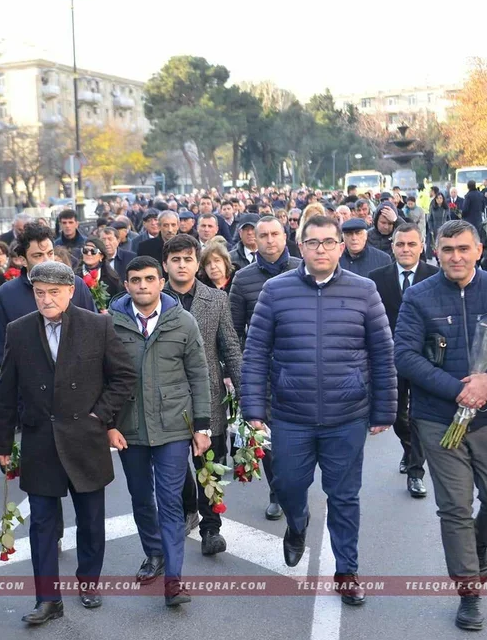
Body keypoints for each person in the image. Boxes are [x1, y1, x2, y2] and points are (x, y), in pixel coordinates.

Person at [240, 214, 396, 607]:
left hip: (347, 417)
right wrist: (254, 408)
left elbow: (382, 353)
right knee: (289, 486)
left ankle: (348, 571)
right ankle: (297, 522)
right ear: (301, 247)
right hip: (291, 416)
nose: (321, 249)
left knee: (344, 497)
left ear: (341, 247)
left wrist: (384, 411)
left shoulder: (364, 291)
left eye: (329, 242)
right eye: (313, 242)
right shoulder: (275, 291)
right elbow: (255, 353)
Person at [394, 219, 487, 631]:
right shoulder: (418, 297)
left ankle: (479, 542)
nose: (455, 257)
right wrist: (457, 390)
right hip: (438, 419)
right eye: (447, 249)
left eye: (463, 249)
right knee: (454, 506)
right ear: (434, 252)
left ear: (478, 250)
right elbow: (404, 356)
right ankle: (469, 591)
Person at [0, 262, 137, 624]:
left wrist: (99, 417)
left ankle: (89, 582)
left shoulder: (97, 325)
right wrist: (3, 442)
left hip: (84, 438)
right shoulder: (19, 330)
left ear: (71, 291)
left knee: (90, 519)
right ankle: (47, 599)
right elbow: (6, 390)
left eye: (53, 292)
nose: (46, 299)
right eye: (39, 293)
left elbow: (122, 377)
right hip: (41, 439)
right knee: (42, 522)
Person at [109, 256, 211, 604]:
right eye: (135, 280)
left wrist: (202, 426)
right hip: (130, 428)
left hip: (172, 427)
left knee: (169, 500)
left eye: (149, 279)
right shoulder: (111, 325)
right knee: (140, 497)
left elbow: (199, 375)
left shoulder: (183, 322)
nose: (142, 286)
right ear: (126, 285)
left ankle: (174, 580)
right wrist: (108, 425)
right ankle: (154, 553)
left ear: (161, 282)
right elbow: (101, 378)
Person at [162, 237, 243, 555]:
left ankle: (211, 529)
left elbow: (231, 348)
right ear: (165, 263)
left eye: (188, 258)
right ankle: (188, 509)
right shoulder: (155, 298)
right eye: (175, 259)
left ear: (197, 263)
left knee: (210, 465)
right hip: (167, 398)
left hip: (208, 396)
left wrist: (247, 396)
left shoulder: (216, 299)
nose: (182, 264)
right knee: (174, 465)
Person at [227, 215, 301, 520]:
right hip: (264, 369)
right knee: (268, 434)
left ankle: (296, 482)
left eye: (275, 234)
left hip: (302, 368)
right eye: (264, 235)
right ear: (254, 240)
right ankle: (278, 490)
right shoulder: (243, 279)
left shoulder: (302, 268)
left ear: (285, 237)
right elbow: (233, 329)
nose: (270, 240)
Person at [368, 224, 439, 498]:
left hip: (425, 358)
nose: (406, 249)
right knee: (397, 415)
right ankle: (409, 450)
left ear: (422, 246)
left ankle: (415, 472)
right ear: (393, 247)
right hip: (390, 359)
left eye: (411, 244)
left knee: (419, 414)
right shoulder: (377, 278)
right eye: (400, 244)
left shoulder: (435, 276)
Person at [0, 221, 96, 369]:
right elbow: (0, 352)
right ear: (23, 260)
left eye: (50, 253)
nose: (47, 260)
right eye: (38, 255)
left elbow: (94, 334)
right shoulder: (7, 294)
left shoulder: (76, 285)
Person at [426, 192, 454, 261]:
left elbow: (448, 219)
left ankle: (443, 259)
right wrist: (431, 229)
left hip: (444, 230)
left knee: (444, 245)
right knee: (436, 246)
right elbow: (430, 220)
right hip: (435, 229)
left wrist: (449, 228)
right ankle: (437, 258)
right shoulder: (433, 208)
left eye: (441, 198)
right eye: (437, 198)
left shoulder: (446, 208)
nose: (439, 199)